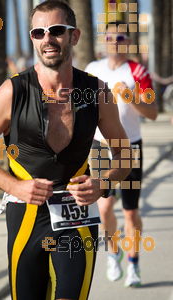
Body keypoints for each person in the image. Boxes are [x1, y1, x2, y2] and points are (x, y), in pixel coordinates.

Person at [0, 3, 132, 300]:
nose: (48, 39)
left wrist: (103, 183)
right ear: (33, 39)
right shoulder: (12, 92)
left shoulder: (97, 92)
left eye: (57, 30)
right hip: (26, 218)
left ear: (74, 36)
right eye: (38, 32)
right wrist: (14, 186)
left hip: (77, 215)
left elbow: (125, 154)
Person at [85, 20, 158, 287]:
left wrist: (132, 98)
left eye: (121, 37)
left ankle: (134, 264)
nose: (115, 42)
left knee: (130, 211)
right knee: (104, 208)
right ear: (104, 41)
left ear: (128, 41)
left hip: (131, 148)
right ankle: (113, 253)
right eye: (110, 37)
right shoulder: (92, 70)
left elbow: (153, 113)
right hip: (100, 146)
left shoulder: (137, 71)